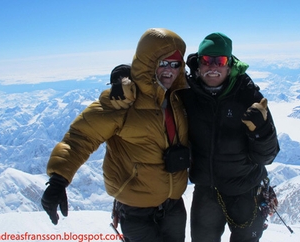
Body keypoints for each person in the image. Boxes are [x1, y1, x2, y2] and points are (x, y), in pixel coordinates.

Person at [41, 28, 190, 242]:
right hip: (136, 210)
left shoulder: (178, 98)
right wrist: (58, 179)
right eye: (162, 63)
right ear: (148, 63)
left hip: (174, 205)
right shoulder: (122, 100)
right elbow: (81, 137)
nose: (169, 70)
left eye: (175, 64)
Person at [181, 32, 280, 242]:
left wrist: (262, 131)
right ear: (198, 64)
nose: (213, 66)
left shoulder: (248, 95)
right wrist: (121, 76)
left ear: (230, 64)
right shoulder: (186, 92)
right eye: (207, 60)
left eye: (220, 60)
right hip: (206, 190)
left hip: (246, 190)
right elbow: (154, 85)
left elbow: (267, 156)